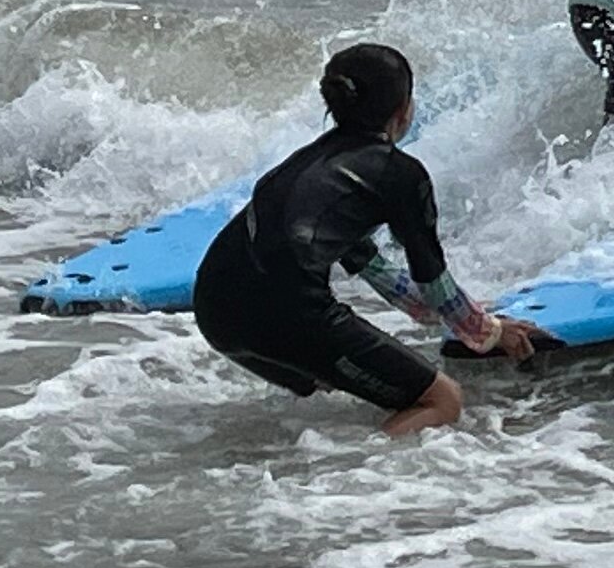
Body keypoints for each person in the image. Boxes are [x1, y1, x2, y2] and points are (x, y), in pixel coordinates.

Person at [192, 41, 545, 431]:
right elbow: (434, 287)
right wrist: (491, 333)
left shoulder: (311, 164)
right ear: (404, 110)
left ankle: (304, 471)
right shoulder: (401, 175)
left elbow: (376, 271)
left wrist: (476, 326)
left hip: (215, 308)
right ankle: (357, 482)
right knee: (442, 400)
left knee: (334, 389)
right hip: (286, 312)